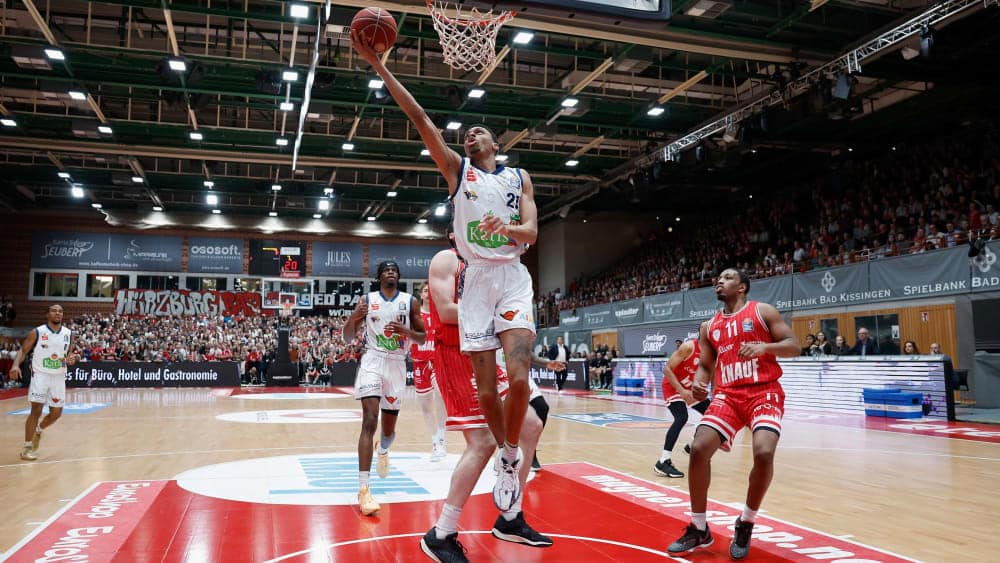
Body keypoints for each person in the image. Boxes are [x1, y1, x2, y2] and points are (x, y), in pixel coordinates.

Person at [352, 33, 539, 511]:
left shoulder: (519, 177)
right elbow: (420, 118)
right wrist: (380, 66)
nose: (469, 135)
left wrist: (507, 228)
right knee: (486, 392)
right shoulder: (459, 172)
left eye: (478, 131)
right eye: (465, 133)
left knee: (520, 379)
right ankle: (508, 455)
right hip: (476, 280)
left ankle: (510, 454)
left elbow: (532, 232)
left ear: (496, 143)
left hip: (512, 274)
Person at [420, 236, 553, 562]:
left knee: (531, 425)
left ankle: (510, 516)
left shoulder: (494, 265)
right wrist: (506, 317)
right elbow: (446, 311)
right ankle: (441, 533)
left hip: (486, 351)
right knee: (482, 442)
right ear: (457, 231)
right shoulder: (446, 260)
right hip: (455, 354)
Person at [667, 269, 799, 560]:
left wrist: (765, 347)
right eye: (718, 278)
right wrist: (700, 383)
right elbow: (706, 365)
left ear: (742, 287)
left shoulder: (762, 311)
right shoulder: (709, 326)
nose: (719, 281)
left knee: (763, 452)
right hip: (727, 395)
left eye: (727, 278)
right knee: (699, 448)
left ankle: (746, 522)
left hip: (764, 391)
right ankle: (699, 528)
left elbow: (794, 346)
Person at [342, 261, 425, 516]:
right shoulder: (367, 301)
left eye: (394, 270)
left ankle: (384, 449)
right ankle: (364, 489)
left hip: (397, 365)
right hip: (373, 360)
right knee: (369, 420)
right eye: (387, 270)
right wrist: (354, 317)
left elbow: (423, 337)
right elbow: (347, 337)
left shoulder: (410, 302)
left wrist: (406, 331)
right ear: (379, 276)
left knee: (388, 431)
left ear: (398, 276)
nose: (391, 272)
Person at [10, 304, 78, 461]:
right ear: (47, 314)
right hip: (40, 375)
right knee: (36, 410)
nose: (57, 313)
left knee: (56, 414)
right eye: (54, 311)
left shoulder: (69, 333)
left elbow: (71, 355)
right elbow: (23, 350)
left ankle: (38, 430)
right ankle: (27, 447)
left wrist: (73, 359)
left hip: (59, 376)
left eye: (60, 311)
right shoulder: (37, 332)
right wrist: (15, 365)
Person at [654, 338, 711, 478]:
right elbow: (667, 369)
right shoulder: (688, 347)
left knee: (712, 415)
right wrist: (682, 391)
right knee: (681, 417)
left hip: (690, 388)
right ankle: (663, 461)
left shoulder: (712, 352)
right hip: (673, 387)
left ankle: (692, 446)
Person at [411, 282, 448, 461]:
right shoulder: (414, 316)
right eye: (425, 290)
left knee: (440, 394)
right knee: (426, 407)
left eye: (431, 291)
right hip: (419, 364)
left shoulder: (440, 314)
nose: (428, 293)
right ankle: (435, 443)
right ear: (421, 294)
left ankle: (442, 437)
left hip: (436, 361)